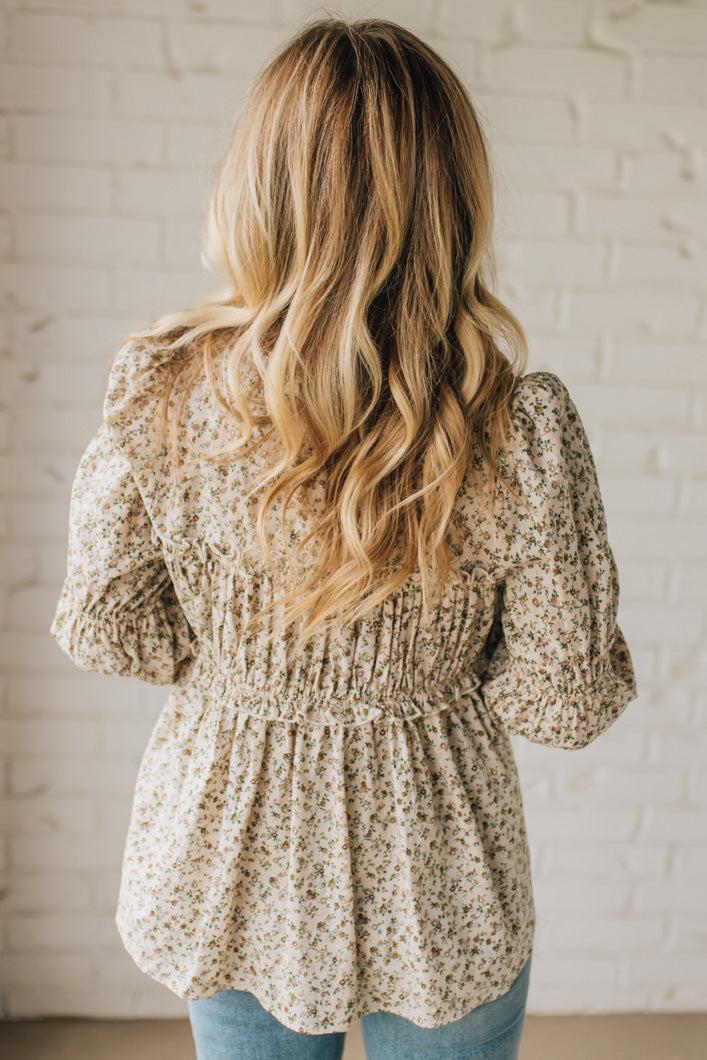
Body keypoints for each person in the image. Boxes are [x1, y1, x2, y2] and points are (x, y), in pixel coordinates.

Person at [50, 16, 638, 1060]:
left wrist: (241, 671)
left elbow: (103, 622)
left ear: (256, 188)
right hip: (441, 867)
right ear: (453, 199)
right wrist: (440, 671)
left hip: (232, 859)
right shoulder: (518, 425)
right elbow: (564, 698)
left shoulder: (165, 395)